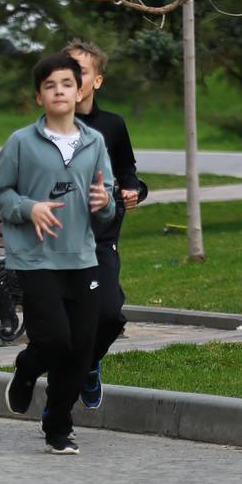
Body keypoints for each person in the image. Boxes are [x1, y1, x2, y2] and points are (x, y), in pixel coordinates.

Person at [0, 50, 116, 455]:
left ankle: (58, 427)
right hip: (35, 259)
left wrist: (105, 202)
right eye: (49, 85)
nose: (59, 91)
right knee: (56, 340)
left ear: (80, 91)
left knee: (80, 348)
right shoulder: (21, 142)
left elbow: (107, 197)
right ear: (38, 97)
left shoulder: (94, 142)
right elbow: (0, 193)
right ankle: (27, 368)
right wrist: (29, 208)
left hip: (82, 258)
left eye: (66, 84)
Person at [64, 39, 147, 410]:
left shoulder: (113, 125)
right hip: (59, 243)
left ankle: (89, 365)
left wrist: (133, 190)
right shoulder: (49, 128)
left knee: (110, 315)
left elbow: (128, 173)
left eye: (81, 72)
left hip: (101, 241)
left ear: (97, 80)